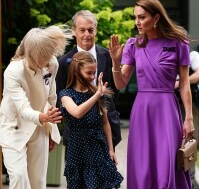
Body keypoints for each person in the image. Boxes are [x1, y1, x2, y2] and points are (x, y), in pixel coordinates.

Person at [109, 0, 195, 189]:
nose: (137, 22)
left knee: (168, 164)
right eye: (135, 17)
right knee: (143, 166)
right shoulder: (134, 44)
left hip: (167, 110)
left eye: (142, 17)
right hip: (142, 110)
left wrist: (188, 117)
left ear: (156, 18)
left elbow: (184, 84)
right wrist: (115, 62)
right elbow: (120, 83)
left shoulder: (179, 42)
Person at [0, 25, 68, 189]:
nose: (47, 62)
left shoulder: (51, 63)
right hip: (14, 126)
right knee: (19, 176)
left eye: (49, 56)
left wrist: (51, 128)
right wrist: (42, 117)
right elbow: (23, 109)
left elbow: (51, 97)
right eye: (42, 58)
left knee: (38, 181)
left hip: (40, 127)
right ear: (32, 54)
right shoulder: (13, 71)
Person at [56, 10, 121, 148]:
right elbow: (59, 95)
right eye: (82, 30)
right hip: (76, 132)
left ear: (96, 30)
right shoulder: (63, 62)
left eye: (90, 30)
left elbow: (115, 89)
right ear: (74, 31)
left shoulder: (108, 56)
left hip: (106, 128)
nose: (87, 34)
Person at [58, 51, 123, 189]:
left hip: (98, 147)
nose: (92, 77)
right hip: (77, 149)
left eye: (94, 73)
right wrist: (97, 95)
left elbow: (105, 123)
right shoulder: (65, 94)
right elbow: (77, 112)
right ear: (76, 72)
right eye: (89, 73)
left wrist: (111, 149)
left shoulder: (98, 94)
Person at [175, 50, 199, 188]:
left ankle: (190, 182)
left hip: (188, 106)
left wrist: (179, 81)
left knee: (188, 142)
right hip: (169, 104)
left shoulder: (192, 55)